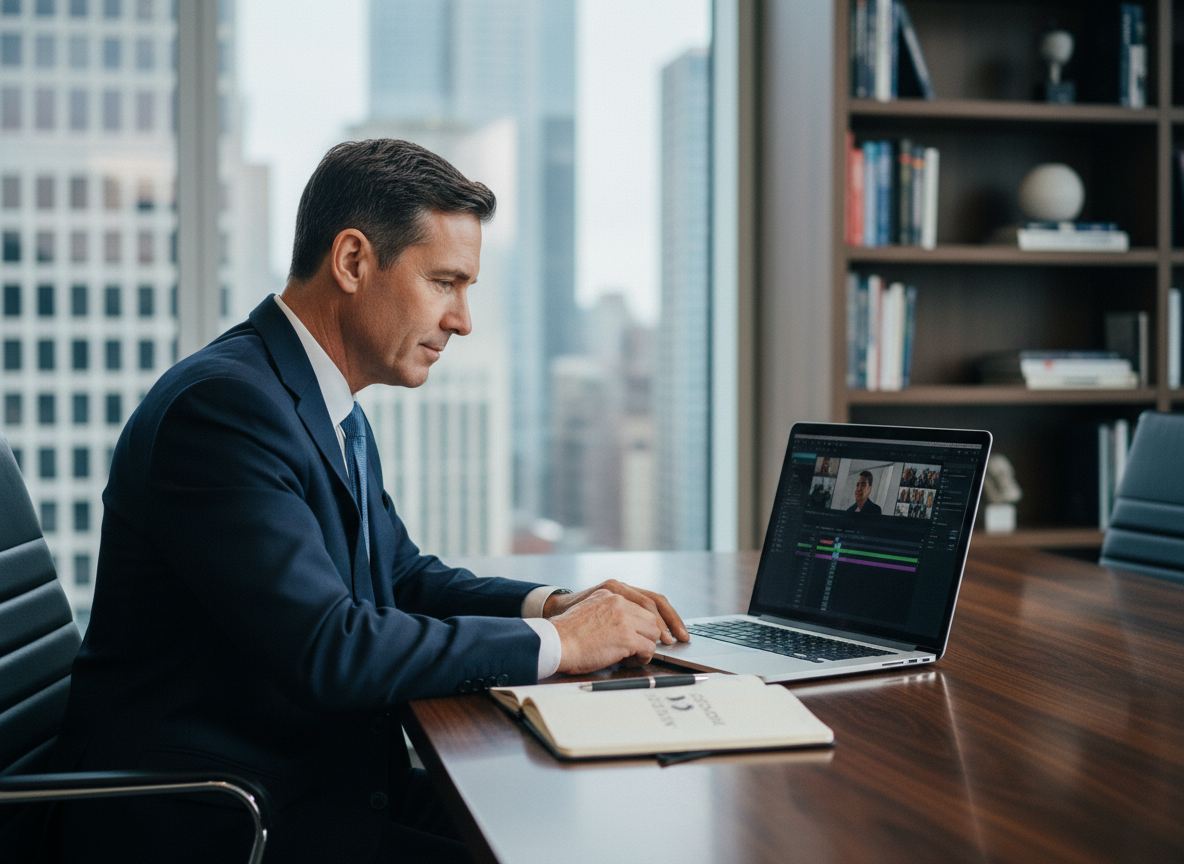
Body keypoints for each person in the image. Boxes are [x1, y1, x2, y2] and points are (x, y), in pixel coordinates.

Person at [49, 140, 689, 864]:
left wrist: (555, 606)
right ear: (353, 261)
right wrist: (564, 645)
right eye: (444, 282)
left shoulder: (322, 401)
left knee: (580, 827)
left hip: (319, 783)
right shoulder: (224, 409)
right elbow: (331, 646)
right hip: (223, 818)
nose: (462, 319)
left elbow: (401, 578)